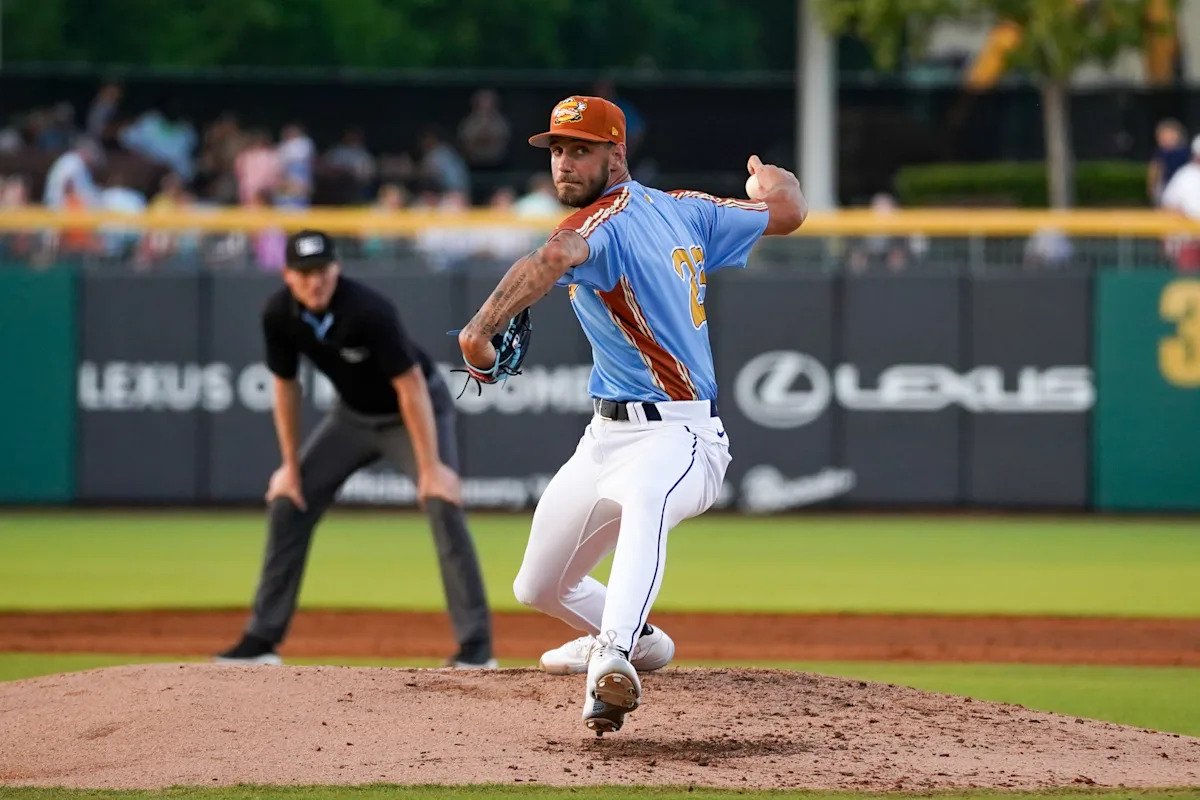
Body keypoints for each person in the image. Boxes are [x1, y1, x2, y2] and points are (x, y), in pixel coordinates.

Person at [457, 95, 807, 734]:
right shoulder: (687, 209)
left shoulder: (603, 224)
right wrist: (775, 184)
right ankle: (642, 642)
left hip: (681, 435)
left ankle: (613, 659)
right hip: (605, 437)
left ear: (616, 154)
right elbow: (788, 212)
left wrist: (480, 328)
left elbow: (554, 258)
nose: (564, 163)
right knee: (538, 587)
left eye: (581, 150)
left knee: (645, 502)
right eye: (557, 150)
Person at [217, 229, 496, 668]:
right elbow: (285, 387)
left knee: (441, 500)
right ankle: (261, 639)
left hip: (413, 413)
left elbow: (411, 386)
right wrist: (289, 467)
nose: (315, 281)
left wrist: (430, 468)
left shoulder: (368, 309)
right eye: (305, 272)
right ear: (287, 275)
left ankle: (476, 649)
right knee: (289, 501)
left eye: (322, 270)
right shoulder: (278, 314)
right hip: (351, 418)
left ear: (337, 268)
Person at [1148, 119, 1190, 205]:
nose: (1166, 138)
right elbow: (1155, 168)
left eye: (1170, 135)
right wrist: (1152, 186)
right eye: (1163, 136)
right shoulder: (1160, 153)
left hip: (1182, 185)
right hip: (1165, 184)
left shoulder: (1185, 152)